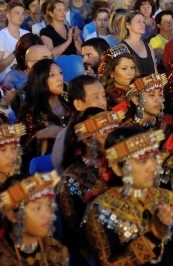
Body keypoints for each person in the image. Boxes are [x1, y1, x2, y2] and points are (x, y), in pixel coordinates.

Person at [84, 127, 173, 265]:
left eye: (153, 159)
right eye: (142, 162)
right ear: (118, 169)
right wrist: (154, 235)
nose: (152, 167)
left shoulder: (168, 198)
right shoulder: (100, 210)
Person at [57, 108, 123, 259]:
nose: (116, 140)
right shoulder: (71, 179)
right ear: (88, 140)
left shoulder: (120, 165)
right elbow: (76, 233)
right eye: (107, 133)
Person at [0, 171, 69, 266]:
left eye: (48, 206)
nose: (47, 214)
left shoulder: (58, 250)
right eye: (37, 208)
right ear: (12, 215)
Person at [16, 59, 72, 167]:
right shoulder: (29, 112)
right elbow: (19, 151)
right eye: (52, 75)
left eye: (60, 73)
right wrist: (39, 136)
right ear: (40, 80)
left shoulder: (70, 105)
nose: (59, 78)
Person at [0, 1, 29, 82]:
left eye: (22, 13)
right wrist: (17, 51)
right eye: (17, 13)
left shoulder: (27, 34)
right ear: (8, 15)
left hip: (26, 73)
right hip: (8, 76)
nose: (21, 16)